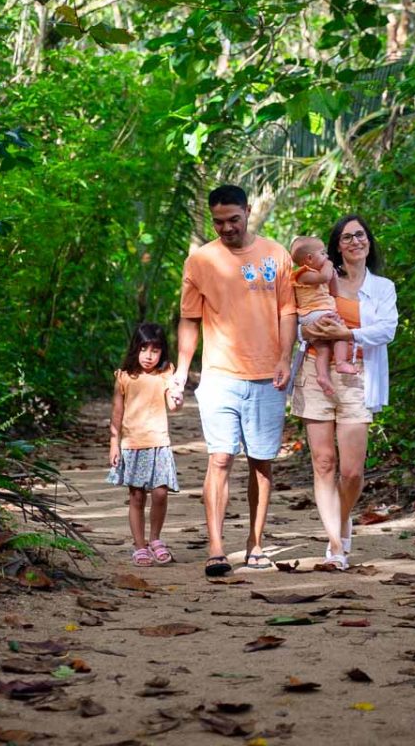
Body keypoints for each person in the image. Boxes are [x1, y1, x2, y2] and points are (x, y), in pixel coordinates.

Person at [173, 184, 297, 577]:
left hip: (267, 377)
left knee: (261, 463)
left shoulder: (276, 255)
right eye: (218, 222)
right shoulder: (201, 261)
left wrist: (283, 359)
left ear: (248, 213)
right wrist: (180, 371)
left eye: (233, 220)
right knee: (221, 457)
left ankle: (256, 544)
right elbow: (189, 319)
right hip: (219, 376)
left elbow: (288, 312)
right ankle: (216, 548)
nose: (226, 228)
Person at [291, 214, 397, 570]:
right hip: (314, 371)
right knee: (323, 462)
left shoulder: (382, 287)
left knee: (351, 472)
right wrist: (310, 330)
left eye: (361, 235)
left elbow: (387, 330)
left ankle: (342, 517)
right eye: (347, 237)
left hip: (357, 374)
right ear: (337, 245)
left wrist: (346, 336)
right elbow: (298, 321)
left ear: (369, 241)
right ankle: (336, 544)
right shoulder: (321, 280)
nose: (355, 241)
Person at [108, 322, 183, 566]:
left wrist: (177, 398)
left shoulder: (166, 373)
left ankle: (155, 539)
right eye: (143, 349)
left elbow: (172, 405)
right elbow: (117, 412)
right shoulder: (124, 376)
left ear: (162, 352)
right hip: (132, 444)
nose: (148, 356)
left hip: (159, 443)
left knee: (160, 493)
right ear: (135, 349)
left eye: (155, 350)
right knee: (137, 496)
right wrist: (114, 443)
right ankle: (139, 545)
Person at [290, 235, 357, 398]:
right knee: (341, 333)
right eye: (323, 253)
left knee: (323, 349)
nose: (327, 257)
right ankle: (341, 362)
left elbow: (333, 292)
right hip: (315, 313)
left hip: (315, 315)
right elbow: (323, 278)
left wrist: (333, 276)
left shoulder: (317, 273)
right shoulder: (303, 274)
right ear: (310, 258)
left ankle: (323, 376)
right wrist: (329, 265)